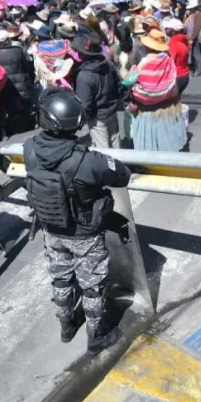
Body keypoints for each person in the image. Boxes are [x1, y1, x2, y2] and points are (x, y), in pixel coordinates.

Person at [23, 88, 130, 354]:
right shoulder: (88, 160)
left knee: (60, 279)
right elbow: (122, 175)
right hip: (85, 235)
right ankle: (96, 337)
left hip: (51, 228)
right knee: (92, 286)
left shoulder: (30, 149)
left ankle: (67, 326)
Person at [72, 31, 121, 149]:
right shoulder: (108, 65)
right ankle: (121, 166)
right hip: (112, 112)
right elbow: (117, 87)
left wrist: (81, 121)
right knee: (116, 146)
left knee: (103, 151)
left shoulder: (84, 76)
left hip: (97, 118)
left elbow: (85, 105)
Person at [165, 18, 192, 95]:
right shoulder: (183, 41)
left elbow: (170, 62)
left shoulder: (174, 44)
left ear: (173, 32)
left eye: (167, 28)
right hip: (184, 75)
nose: (166, 30)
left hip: (176, 76)